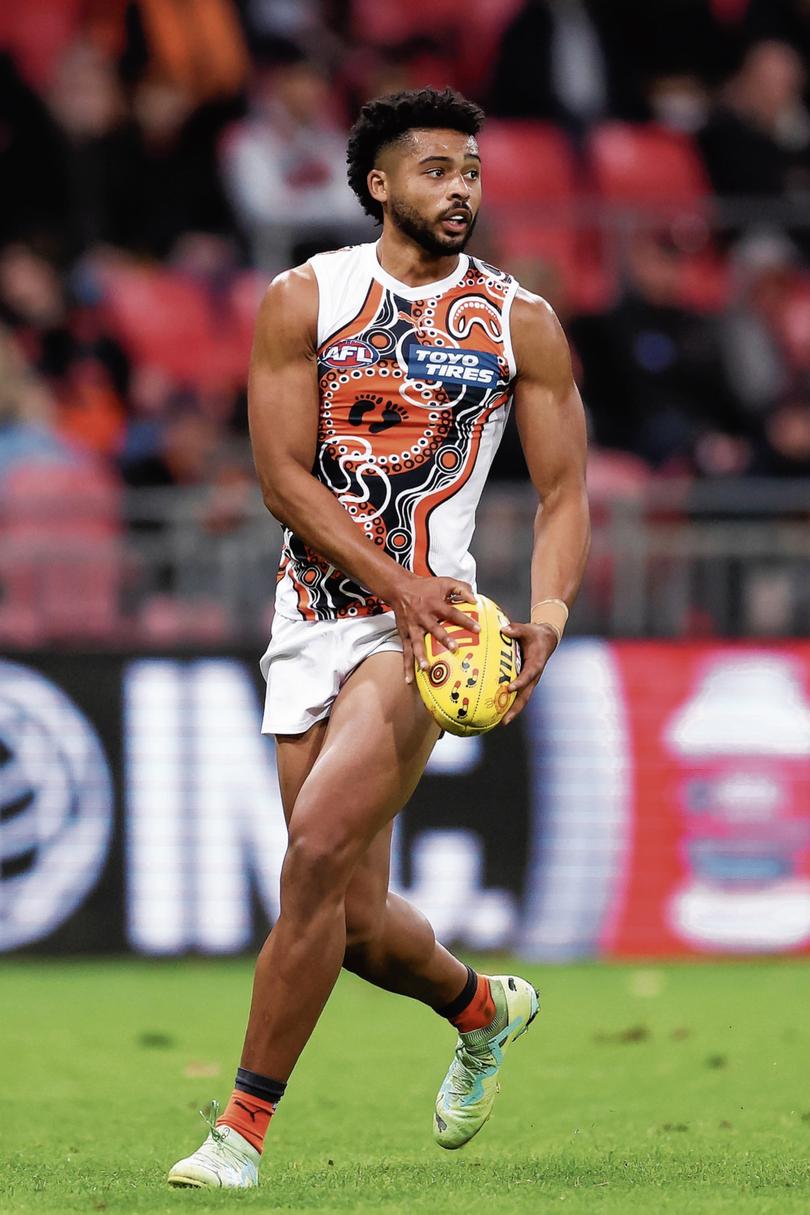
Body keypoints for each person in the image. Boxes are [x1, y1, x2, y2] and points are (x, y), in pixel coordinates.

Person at [167, 86, 590, 1189]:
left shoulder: (516, 320)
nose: (463, 190)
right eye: (438, 170)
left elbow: (562, 493)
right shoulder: (303, 297)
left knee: (309, 859)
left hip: (430, 634)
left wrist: (543, 616)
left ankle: (239, 1134)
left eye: (473, 171)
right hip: (313, 617)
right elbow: (279, 476)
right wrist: (384, 578)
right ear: (379, 185)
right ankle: (484, 1008)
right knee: (352, 922)